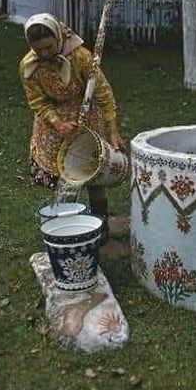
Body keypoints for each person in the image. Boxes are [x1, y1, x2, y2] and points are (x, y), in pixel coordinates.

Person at [19, 13, 125, 239]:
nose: (46, 54)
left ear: (59, 37)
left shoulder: (82, 57)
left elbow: (103, 93)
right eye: (39, 50)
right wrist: (56, 122)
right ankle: (68, 225)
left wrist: (113, 131)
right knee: (64, 175)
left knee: (92, 171)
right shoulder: (29, 66)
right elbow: (37, 101)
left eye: (49, 47)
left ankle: (101, 222)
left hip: (86, 118)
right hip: (53, 123)